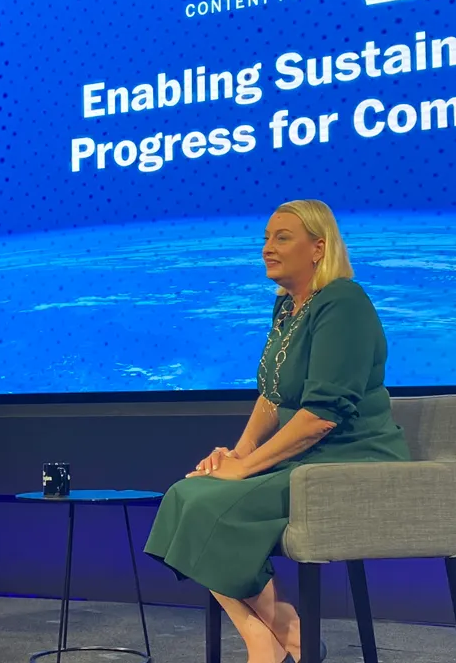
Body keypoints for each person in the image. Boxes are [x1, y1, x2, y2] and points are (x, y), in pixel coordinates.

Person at [143, 199, 410, 663]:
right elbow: (271, 396)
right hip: (306, 458)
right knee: (186, 493)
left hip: (350, 458)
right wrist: (235, 454)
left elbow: (321, 416)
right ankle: (268, 639)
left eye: (282, 237)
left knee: (212, 506)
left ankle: (289, 640)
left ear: (317, 248)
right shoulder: (288, 308)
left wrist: (245, 469)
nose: (267, 248)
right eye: (266, 238)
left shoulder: (343, 302)